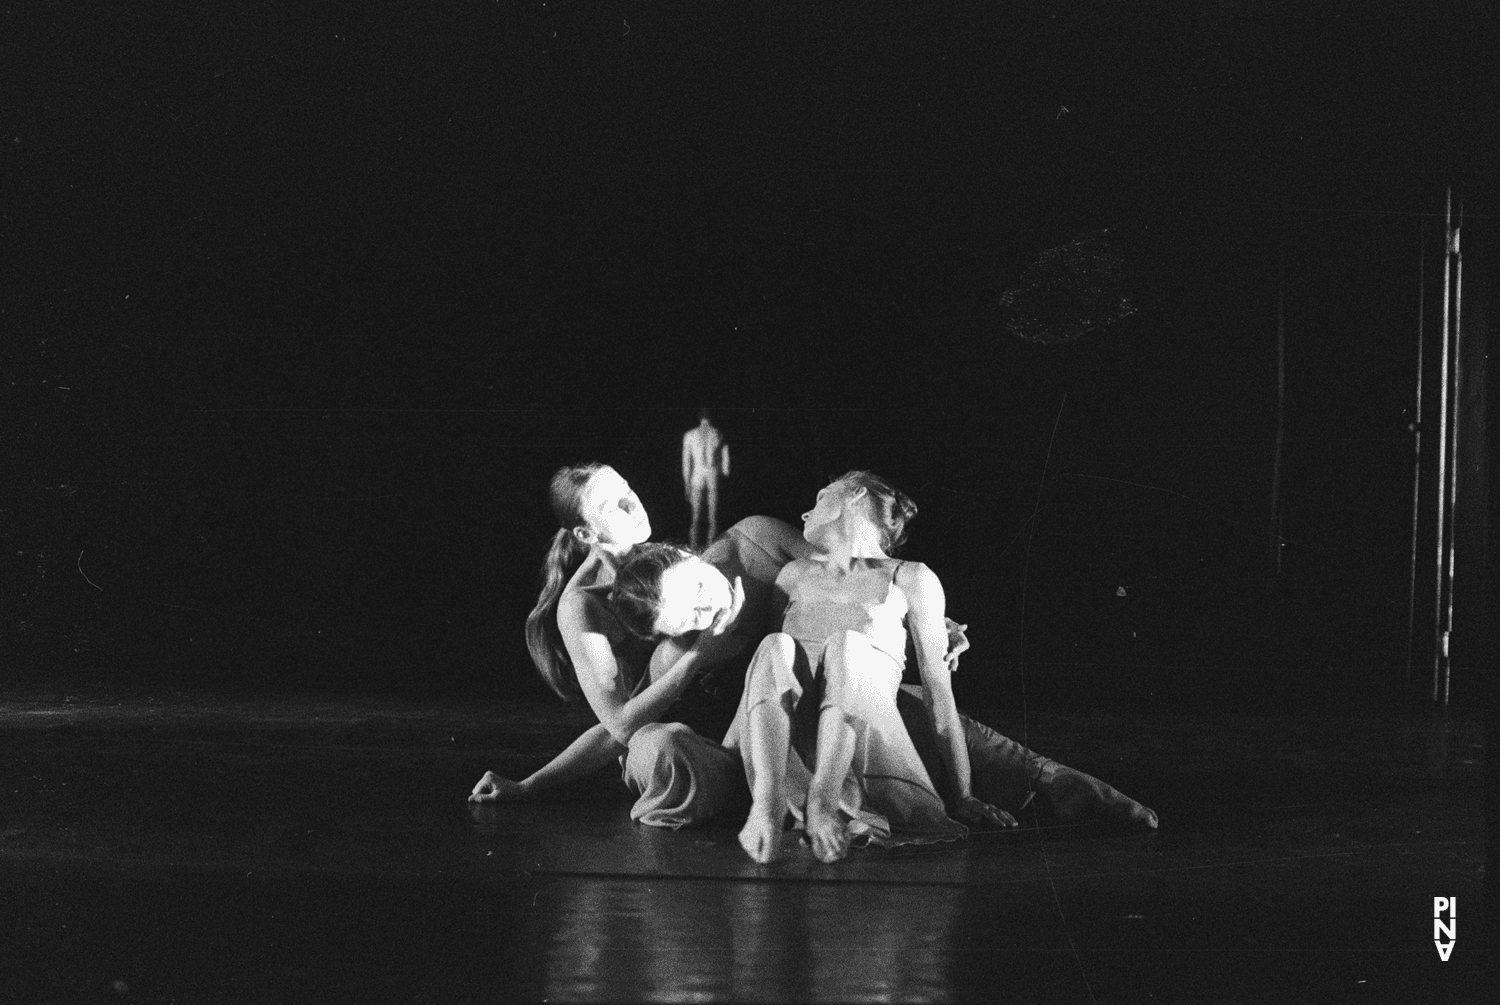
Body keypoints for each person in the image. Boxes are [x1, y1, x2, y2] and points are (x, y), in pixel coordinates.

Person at [681, 409, 730, 550]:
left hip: (697, 475)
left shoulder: (689, 435)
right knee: (713, 519)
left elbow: (686, 463)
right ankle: (709, 550)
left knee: (695, 519)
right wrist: (722, 475)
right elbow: (726, 468)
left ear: (699, 418)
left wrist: (687, 485)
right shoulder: (717, 434)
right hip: (712, 475)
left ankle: (693, 549)